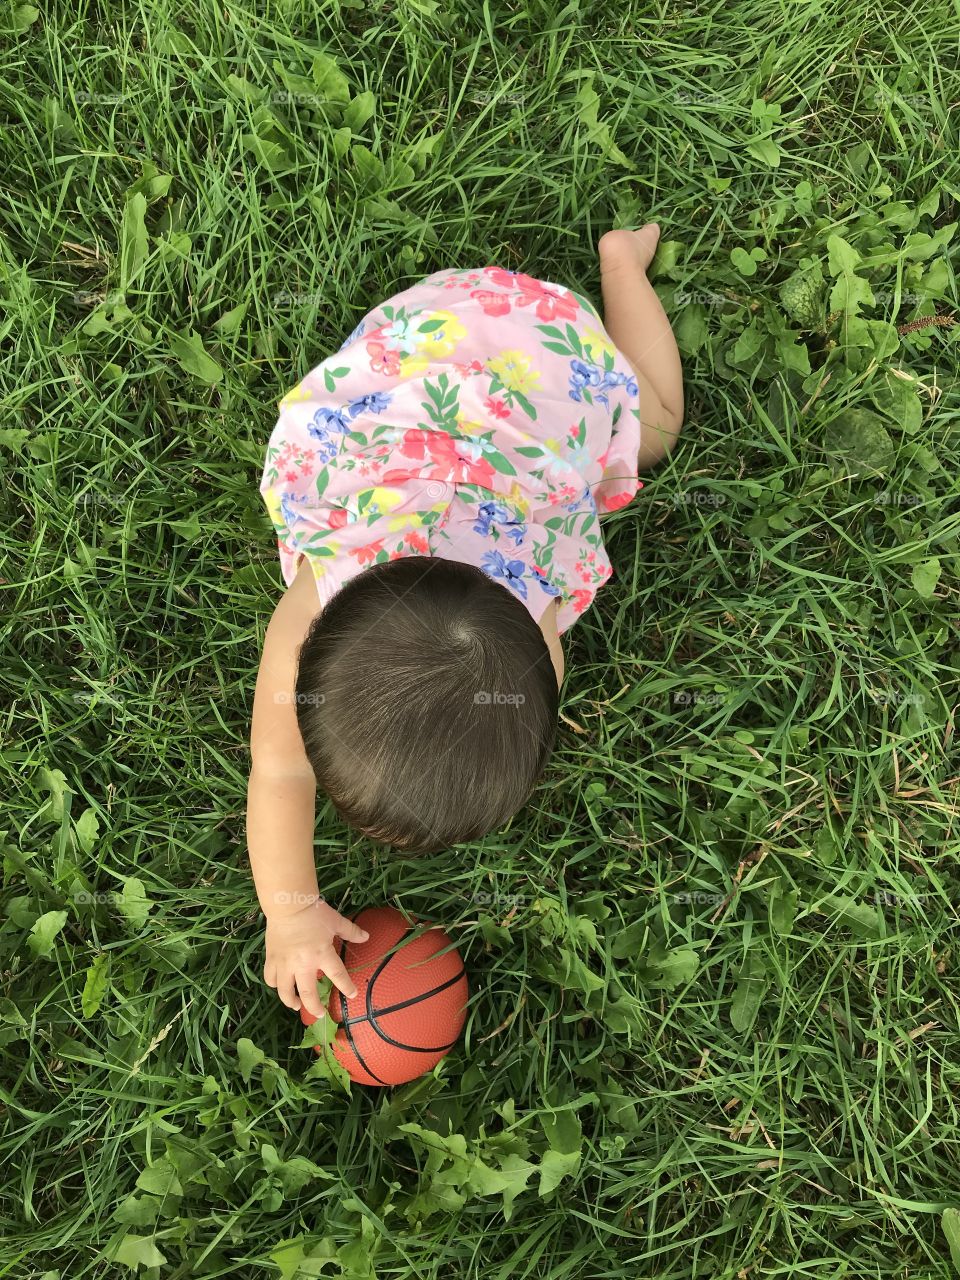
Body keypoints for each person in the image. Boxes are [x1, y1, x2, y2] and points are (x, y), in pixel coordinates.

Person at [247, 226, 684, 1020]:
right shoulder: (321, 588)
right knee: (648, 434)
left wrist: (294, 909)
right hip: (422, 346)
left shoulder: (533, 597)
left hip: (543, 361)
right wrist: (290, 912)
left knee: (656, 429)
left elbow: (281, 769)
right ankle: (617, 263)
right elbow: (279, 771)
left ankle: (621, 266)